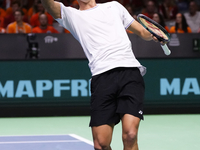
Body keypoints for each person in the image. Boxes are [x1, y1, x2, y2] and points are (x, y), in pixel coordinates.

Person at [41, 0, 164, 150]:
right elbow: (49, 5)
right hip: (102, 78)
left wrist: (153, 34)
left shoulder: (114, 6)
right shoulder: (71, 15)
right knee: (101, 144)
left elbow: (143, 32)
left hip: (129, 73)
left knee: (130, 135)